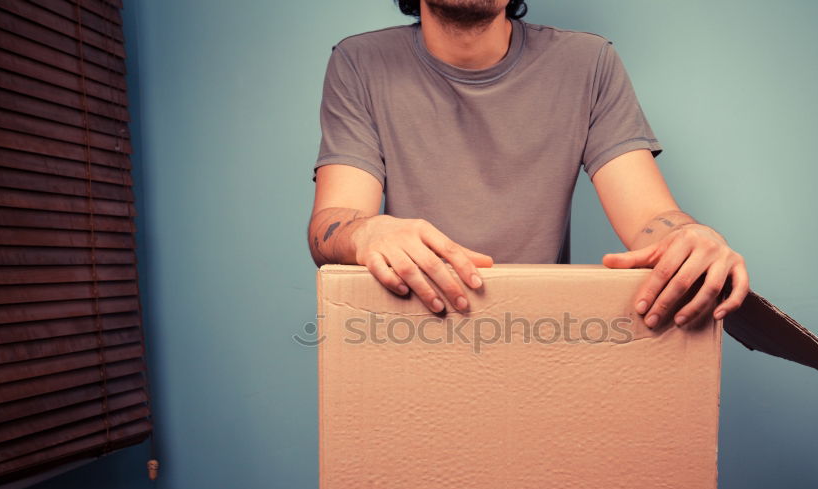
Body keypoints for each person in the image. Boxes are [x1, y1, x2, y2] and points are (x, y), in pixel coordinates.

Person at [308, 0, 749, 329]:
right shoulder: (360, 63)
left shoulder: (587, 63)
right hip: (410, 332)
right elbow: (334, 221)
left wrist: (688, 237)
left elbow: (651, 218)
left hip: (540, 337)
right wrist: (368, 231)